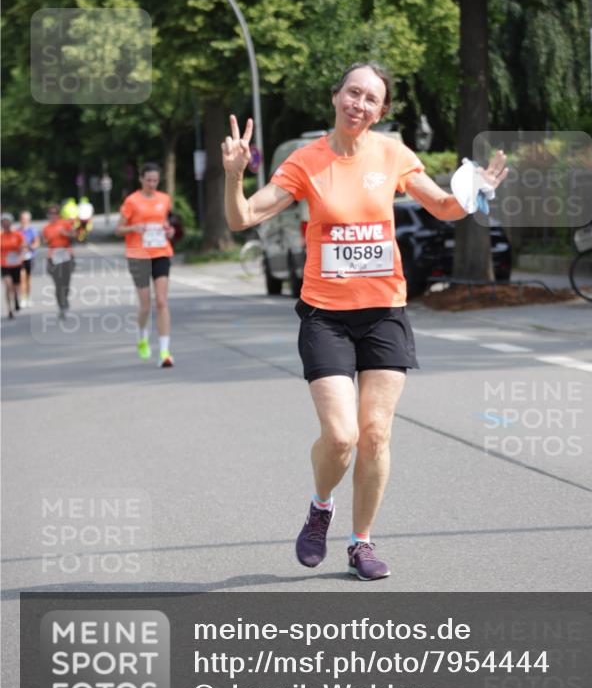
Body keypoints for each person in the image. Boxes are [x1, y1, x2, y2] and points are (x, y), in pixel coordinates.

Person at [223, 62, 508, 580]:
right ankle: (320, 506)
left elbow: (443, 207)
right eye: (352, 93)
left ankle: (361, 543)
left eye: (371, 99)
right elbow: (243, 217)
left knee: (375, 434)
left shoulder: (393, 153)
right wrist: (233, 174)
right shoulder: (306, 162)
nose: (359, 104)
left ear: (381, 111)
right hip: (325, 316)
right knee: (341, 436)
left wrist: (474, 191)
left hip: (384, 313)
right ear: (335, 97)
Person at [115, 162, 175, 367]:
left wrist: (170, 232)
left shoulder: (165, 199)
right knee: (146, 305)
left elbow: (167, 224)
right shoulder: (132, 201)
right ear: (141, 179)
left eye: (155, 180)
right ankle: (142, 336)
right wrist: (134, 227)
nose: (152, 184)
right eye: (148, 180)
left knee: (161, 301)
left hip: (160, 252)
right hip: (138, 255)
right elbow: (118, 229)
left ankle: (165, 352)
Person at [42, 205, 76, 319]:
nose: (53, 215)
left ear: (58, 214)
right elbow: (43, 241)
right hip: (53, 256)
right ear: (48, 215)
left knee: (66, 283)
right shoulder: (46, 228)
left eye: (55, 213)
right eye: (51, 213)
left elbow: (75, 235)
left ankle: (65, 299)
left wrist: (66, 234)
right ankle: (61, 306)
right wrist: (46, 240)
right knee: (58, 284)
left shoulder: (65, 224)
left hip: (66, 254)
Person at [1, 213, 26, 319]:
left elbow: (24, 245)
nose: (5, 224)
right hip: (5, 264)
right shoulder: (1, 236)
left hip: (16, 263)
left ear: (11, 222)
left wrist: (21, 253)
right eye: (3, 222)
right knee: (8, 285)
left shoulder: (17, 234)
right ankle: (9, 309)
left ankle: (16, 297)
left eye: (7, 222)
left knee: (16, 286)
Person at [19, 210, 40, 308]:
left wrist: (29, 246)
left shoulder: (32, 230)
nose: (24, 220)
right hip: (20, 258)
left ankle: (28, 296)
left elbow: (36, 243)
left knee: (28, 279)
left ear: (29, 220)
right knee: (22, 278)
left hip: (30, 257)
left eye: (26, 219)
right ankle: (23, 298)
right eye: (23, 218)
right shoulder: (17, 230)